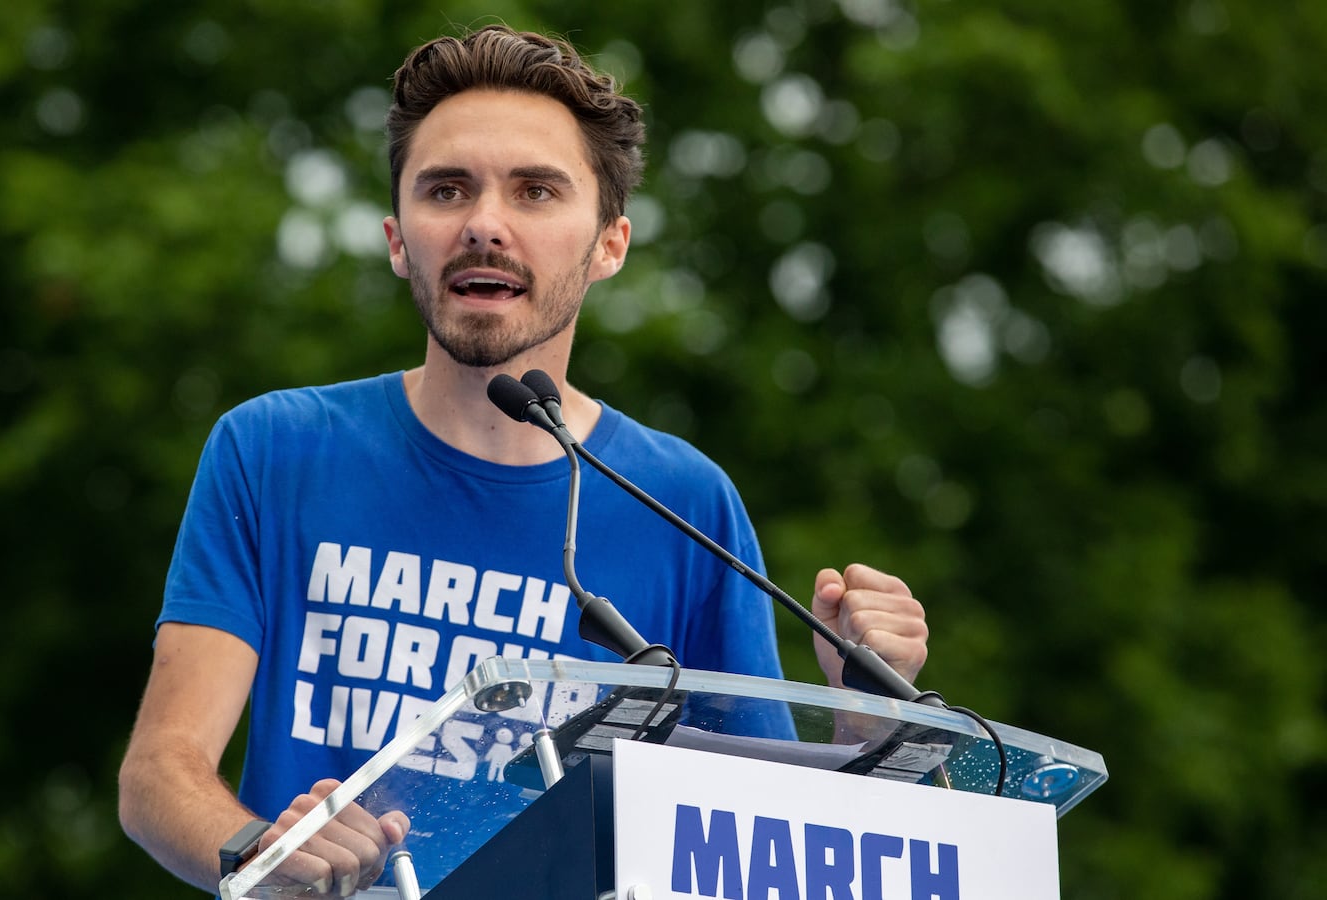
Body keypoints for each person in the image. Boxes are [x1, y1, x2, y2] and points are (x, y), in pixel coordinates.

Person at [117, 23, 930, 898]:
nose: (484, 225)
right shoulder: (274, 451)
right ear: (399, 239)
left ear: (609, 244)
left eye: (536, 192)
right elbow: (160, 773)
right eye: (447, 190)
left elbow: (755, 835)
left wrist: (861, 710)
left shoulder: (684, 500)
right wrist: (262, 858)